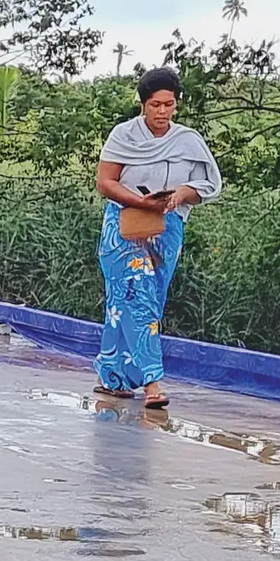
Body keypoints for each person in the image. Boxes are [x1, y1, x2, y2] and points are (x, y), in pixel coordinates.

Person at [91, 68, 222, 408]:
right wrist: (139, 201)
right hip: (125, 224)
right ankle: (153, 382)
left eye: (169, 105)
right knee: (136, 296)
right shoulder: (124, 135)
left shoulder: (188, 141)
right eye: (156, 105)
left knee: (136, 303)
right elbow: (106, 182)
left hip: (167, 228)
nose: (163, 112)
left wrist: (183, 193)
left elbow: (207, 185)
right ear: (143, 105)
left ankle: (114, 376)